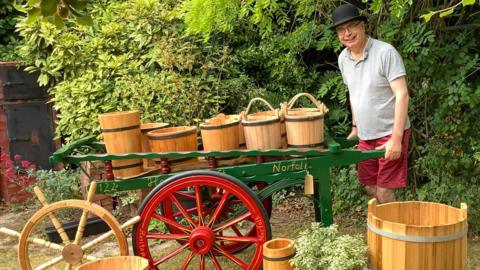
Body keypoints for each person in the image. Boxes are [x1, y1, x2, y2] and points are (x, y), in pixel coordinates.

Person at [333, 4, 411, 203]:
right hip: (366, 136)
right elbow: (354, 93)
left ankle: (394, 233)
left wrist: (396, 138)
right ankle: (391, 225)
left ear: (363, 27)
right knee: (369, 185)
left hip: (390, 132)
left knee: (384, 191)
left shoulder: (386, 52)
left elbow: (402, 94)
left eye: (351, 26)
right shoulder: (343, 58)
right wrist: (355, 127)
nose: (347, 33)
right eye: (341, 30)